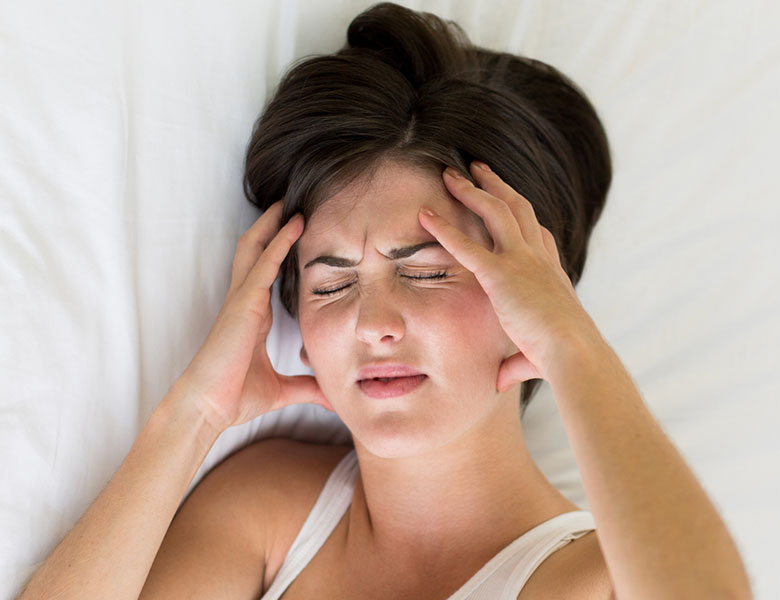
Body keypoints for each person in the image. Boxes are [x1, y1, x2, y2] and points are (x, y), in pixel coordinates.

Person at [19, 3, 752, 599]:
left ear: (529, 301)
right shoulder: (268, 511)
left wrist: (573, 347)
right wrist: (193, 416)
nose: (372, 325)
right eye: (332, 284)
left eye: (427, 272)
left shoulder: (584, 581)